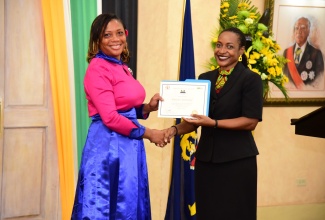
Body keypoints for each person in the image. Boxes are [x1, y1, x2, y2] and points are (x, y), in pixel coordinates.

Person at [71, 13, 167, 220]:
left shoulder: (120, 65)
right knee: (106, 205)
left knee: (128, 203)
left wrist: (148, 108)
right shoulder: (98, 68)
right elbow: (110, 117)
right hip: (109, 146)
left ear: (126, 34)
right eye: (107, 35)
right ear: (97, 40)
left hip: (127, 143)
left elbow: (125, 107)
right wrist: (149, 133)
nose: (115, 39)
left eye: (119, 33)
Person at [165, 27, 263, 220]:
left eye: (229, 46)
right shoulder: (205, 79)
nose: (222, 51)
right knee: (208, 213)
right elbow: (194, 121)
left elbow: (250, 121)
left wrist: (214, 123)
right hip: (206, 162)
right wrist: (173, 130)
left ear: (241, 50)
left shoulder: (251, 80)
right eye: (219, 45)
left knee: (236, 214)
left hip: (237, 162)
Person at [283, 17, 324, 89]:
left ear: (308, 31)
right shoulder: (286, 52)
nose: (299, 31)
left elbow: (319, 81)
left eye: (303, 28)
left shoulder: (316, 54)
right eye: (297, 28)